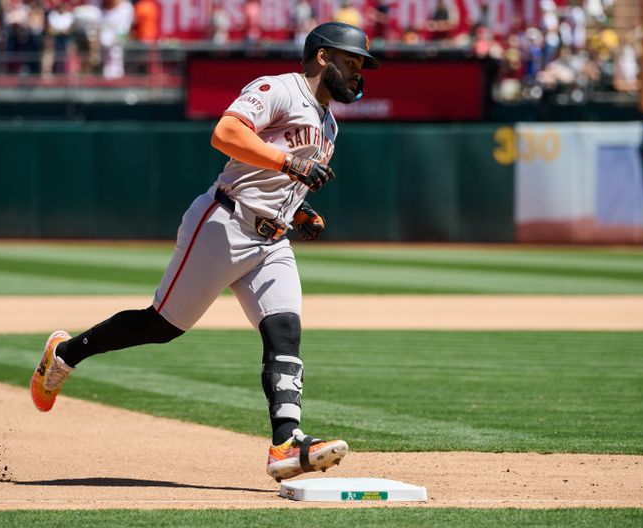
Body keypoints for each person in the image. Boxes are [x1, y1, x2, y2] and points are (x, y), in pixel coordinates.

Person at [30, 21, 380, 483]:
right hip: (223, 224)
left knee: (284, 331)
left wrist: (298, 211)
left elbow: (276, 180)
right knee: (161, 325)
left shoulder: (329, 123)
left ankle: (286, 444)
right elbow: (226, 134)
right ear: (321, 57)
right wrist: (288, 161)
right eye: (350, 62)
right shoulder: (277, 89)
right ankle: (65, 355)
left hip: (271, 240)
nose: (357, 73)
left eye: (360, 66)